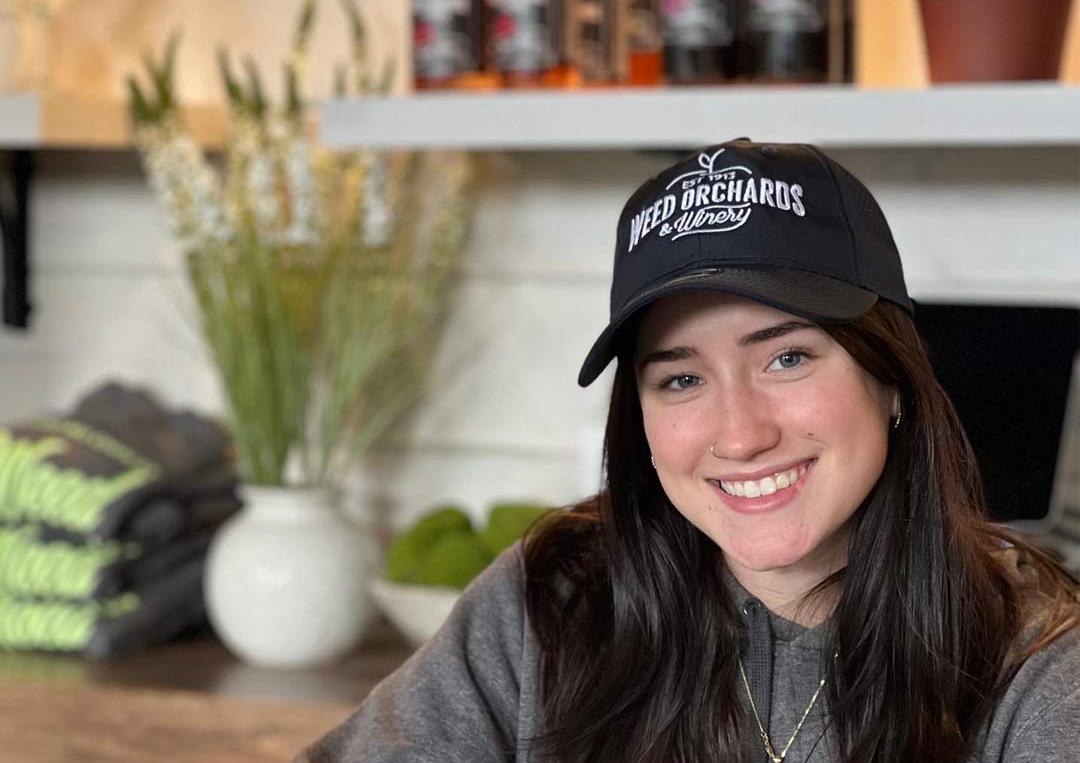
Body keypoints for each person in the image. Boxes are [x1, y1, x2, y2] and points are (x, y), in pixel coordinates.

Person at [299, 139, 1080, 763]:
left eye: (787, 358)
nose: (740, 434)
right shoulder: (554, 601)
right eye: (680, 379)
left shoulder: (1036, 662)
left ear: (893, 379)